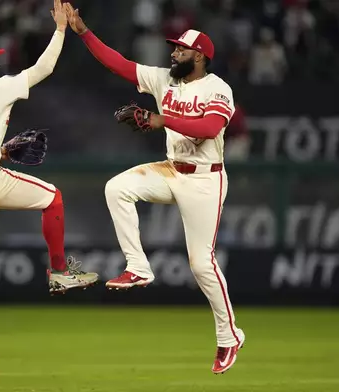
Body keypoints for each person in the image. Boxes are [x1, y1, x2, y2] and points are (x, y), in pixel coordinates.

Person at [64, 3, 245, 374]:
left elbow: (209, 129)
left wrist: (159, 118)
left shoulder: (217, 88)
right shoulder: (164, 79)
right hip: (170, 169)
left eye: (181, 48)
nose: (173, 51)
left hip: (205, 179)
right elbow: (117, 63)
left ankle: (229, 337)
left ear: (199, 55)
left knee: (202, 264)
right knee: (117, 188)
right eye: (174, 46)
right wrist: (83, 32)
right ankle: (138, 267)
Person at [0, 0, 98, 379]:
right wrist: (61, 29)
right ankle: (60, 271)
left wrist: (0, 149)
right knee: (53, 198)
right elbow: (43, 68)